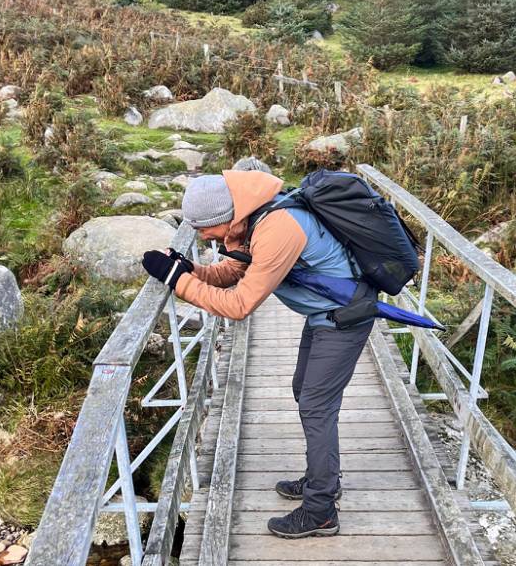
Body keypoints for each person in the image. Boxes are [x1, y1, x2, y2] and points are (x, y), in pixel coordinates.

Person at [140, 170, 373, 539]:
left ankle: (321, 510)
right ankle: (321, 478)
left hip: (344, 317)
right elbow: (235, 268)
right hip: (325, 314)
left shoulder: (277, 227)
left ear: (223, 217)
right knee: (306, 392)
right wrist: (190, 270)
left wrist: (178, 281)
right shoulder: (254, 216)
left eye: (203, 228)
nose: (200, 236)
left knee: (315, 403)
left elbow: (240, 303)